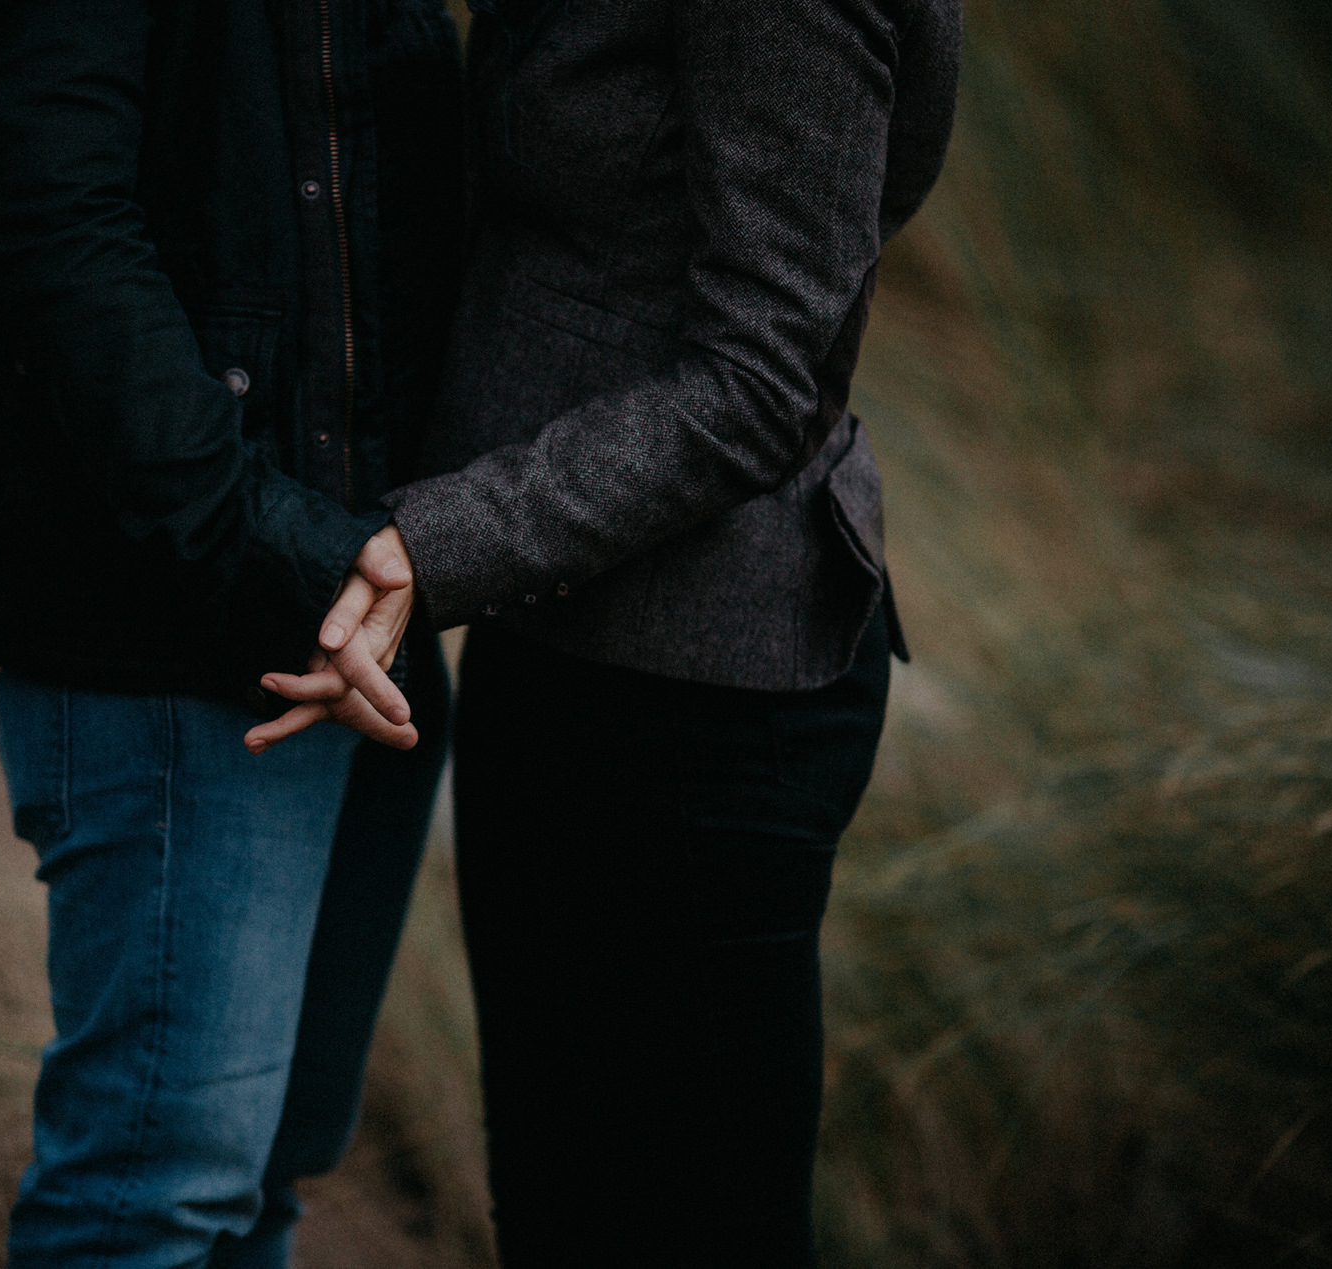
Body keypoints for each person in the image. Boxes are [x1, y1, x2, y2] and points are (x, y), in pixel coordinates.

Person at [253, 0, 963, 1262]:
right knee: (555, 1215)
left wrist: (441, 541)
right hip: (551, 635)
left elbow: (767, 372)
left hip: (704, 692)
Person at [0, 0, 465, 1263]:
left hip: (366, 597)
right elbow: (51, 227)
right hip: (182, 625)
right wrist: (286, 550)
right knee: (153, 1206)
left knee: (256, 1193)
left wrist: (432, 537)